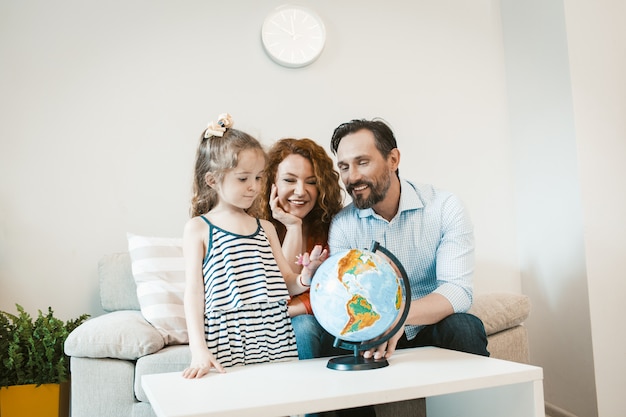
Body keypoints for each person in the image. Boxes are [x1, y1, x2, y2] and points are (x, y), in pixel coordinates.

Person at [328, 117, 489, 361]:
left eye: (362, 162)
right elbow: (343, 297)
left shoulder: (444, 207)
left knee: (464, 327)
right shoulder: (343, 225)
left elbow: (457, 290)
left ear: (393, 160)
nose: (352, 177)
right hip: (373, 330)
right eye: (344, 167)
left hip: (428, 325)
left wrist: (400, 316)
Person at [182, 114, 327, 379]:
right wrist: (198, 349)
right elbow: (193, 294)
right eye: (243, 179)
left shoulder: (266, 229)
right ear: (212, 180)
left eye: (259, 178)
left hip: (275, 337)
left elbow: (287, 282)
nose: (254, 187)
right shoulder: (199, 228)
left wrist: (306, 276)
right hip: (227, 340)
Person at [255, 138, 343, 359]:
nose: (301, 191)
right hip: (277, 328)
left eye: (311, 182)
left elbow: (338, 292)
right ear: (271, 183)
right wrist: (292, 227)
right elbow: (277, 294)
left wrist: (296, 309)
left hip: (327, 320)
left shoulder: (332, 227)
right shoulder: (255, 229)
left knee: (307, 324)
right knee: (302, 326)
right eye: (289, 180)